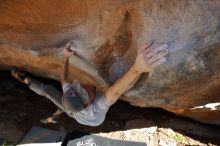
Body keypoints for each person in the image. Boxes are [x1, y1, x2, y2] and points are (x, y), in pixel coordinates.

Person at [11, 41, 168, 126]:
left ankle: (26, 80)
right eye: (85, 91)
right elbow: (115, 92)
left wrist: (66, 57)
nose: (85, 85)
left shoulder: (70, 94)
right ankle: (56, 116)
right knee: (58, 102)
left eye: (79, 87)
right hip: (89, 120)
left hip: (72, 110)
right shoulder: (97, 107)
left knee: (49, 92)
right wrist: (137, 68)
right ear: (89, 102)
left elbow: (62, 78)